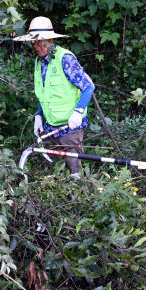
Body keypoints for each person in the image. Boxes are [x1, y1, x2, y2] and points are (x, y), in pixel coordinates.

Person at [14, 16, 95, 178]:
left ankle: (79, 198)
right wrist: (39, 116)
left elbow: (89, 87)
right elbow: (45, 95)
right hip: (50, 125)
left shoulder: (65, 59)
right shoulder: (39, 62)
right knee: (51, 167)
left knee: (74, 169)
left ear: (51, 40)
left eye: (40, 42)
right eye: (34, 42)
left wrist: (78, 112)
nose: (36, 46)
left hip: (70, 125)